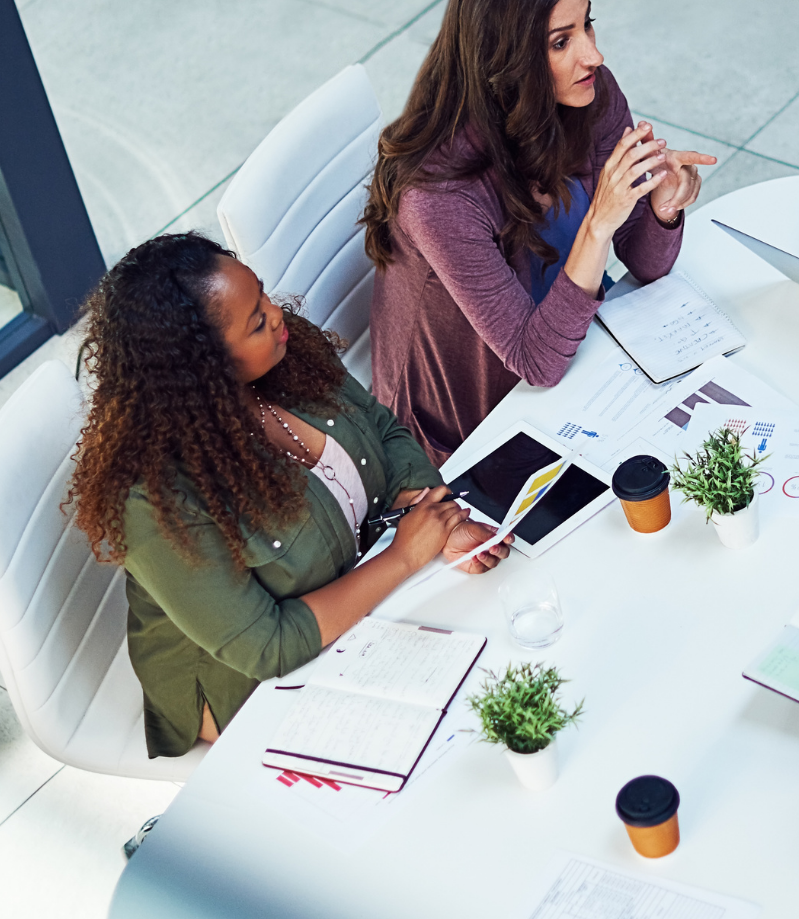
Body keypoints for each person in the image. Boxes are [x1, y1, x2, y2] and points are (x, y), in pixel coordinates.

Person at [67, 233, 512, 758]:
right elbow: (267, 646)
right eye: (255, 321)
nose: (277, 316)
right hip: (243, 683)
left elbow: (381, 429)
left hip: (355, 594)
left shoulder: (284, 350)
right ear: (200, 370)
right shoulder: (157, 497)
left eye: (262, 297)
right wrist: (405, 555)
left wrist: (432, 514)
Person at [361, 0, 715, 462]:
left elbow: (646, 264)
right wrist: (598, 225)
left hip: (573, 341)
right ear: (503, 63)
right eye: (560, 42)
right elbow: (536, 361)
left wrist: (661, 209)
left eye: (587, 25)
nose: (593, 55)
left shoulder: (587, 93)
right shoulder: (438, 196)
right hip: (473, 423)